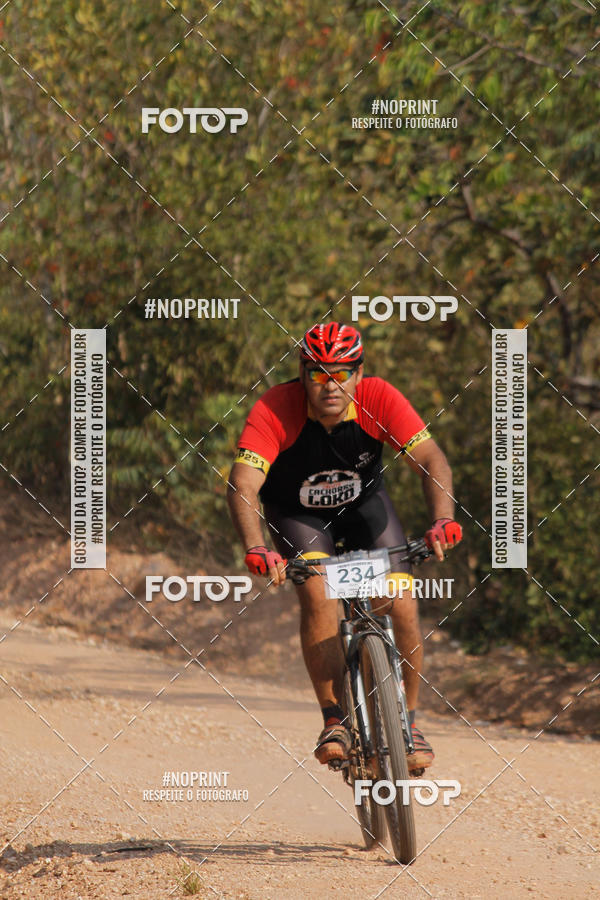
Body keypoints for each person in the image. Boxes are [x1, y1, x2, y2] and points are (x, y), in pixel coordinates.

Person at [227, 322, 462, 771]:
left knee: (402, 603)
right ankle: (334, 717)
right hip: (299, 515)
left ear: (359, 374)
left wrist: (443, 519)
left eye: (342, 373)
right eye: (318, 374)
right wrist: (256, 546)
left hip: (364, 510)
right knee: (317, 593)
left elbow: (431, 459)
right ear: (302, 374)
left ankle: (407, 722)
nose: (330, 385)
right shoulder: (275, 408)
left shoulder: (380, 398)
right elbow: (243, 483)